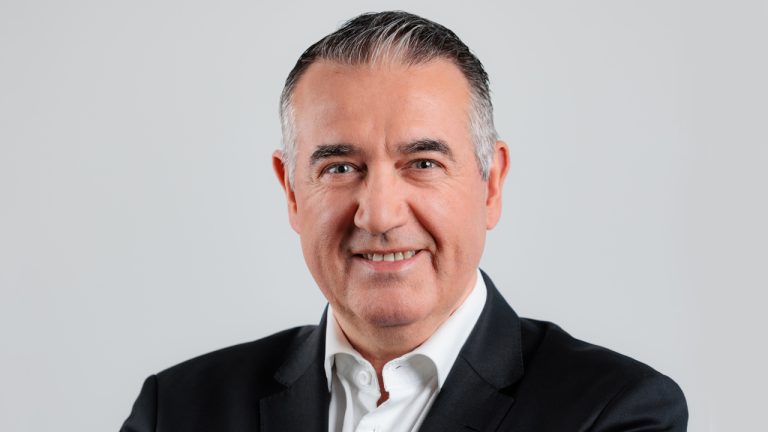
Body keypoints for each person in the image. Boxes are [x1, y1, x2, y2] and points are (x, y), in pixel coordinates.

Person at [121, 11, 687, 432]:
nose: (380, 214)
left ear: (491, 185)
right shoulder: (175, 411)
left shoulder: (614, 411)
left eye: (422, 164)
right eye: (341, 166)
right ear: (292, 192)